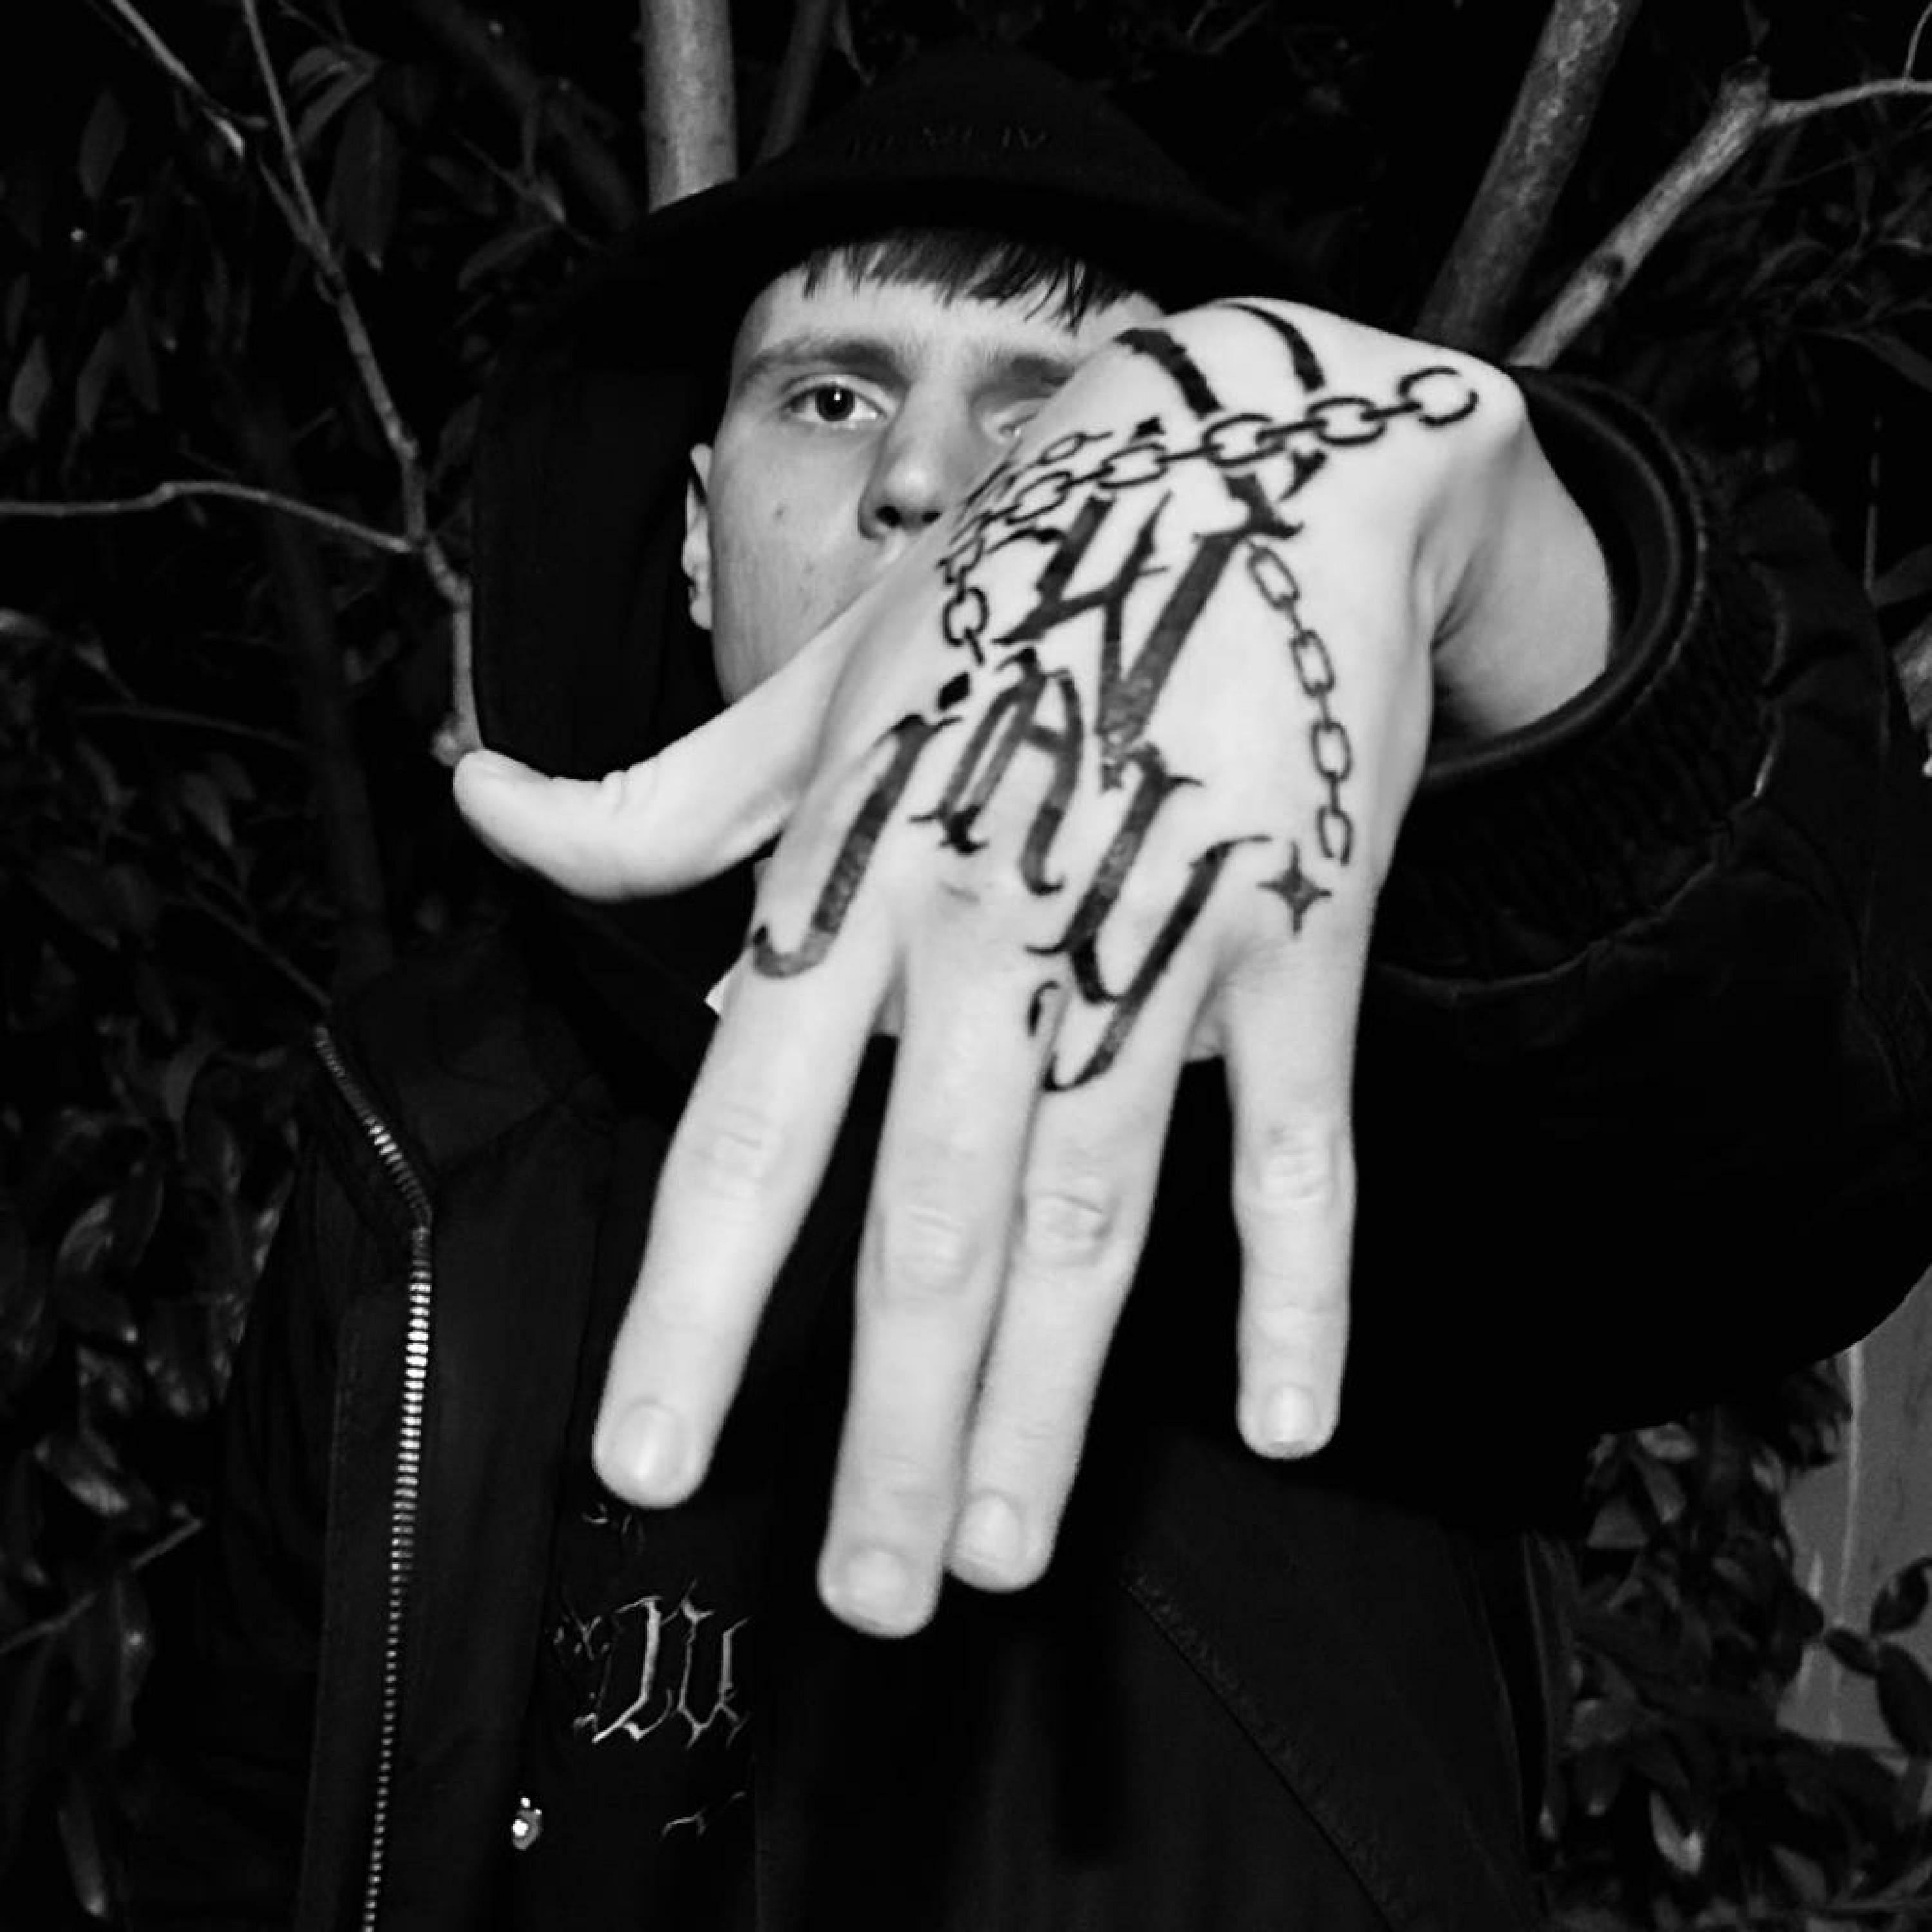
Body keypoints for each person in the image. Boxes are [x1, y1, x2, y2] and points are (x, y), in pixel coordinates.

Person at [131, 40, 1932, 1932]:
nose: (924, 478)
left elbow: (1806, 1136)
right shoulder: (427, 1116)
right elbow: (242, 1816)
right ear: (696, 535)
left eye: (1053, 409)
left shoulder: (1357, 1037)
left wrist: (1527, 588)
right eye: (832, 397)